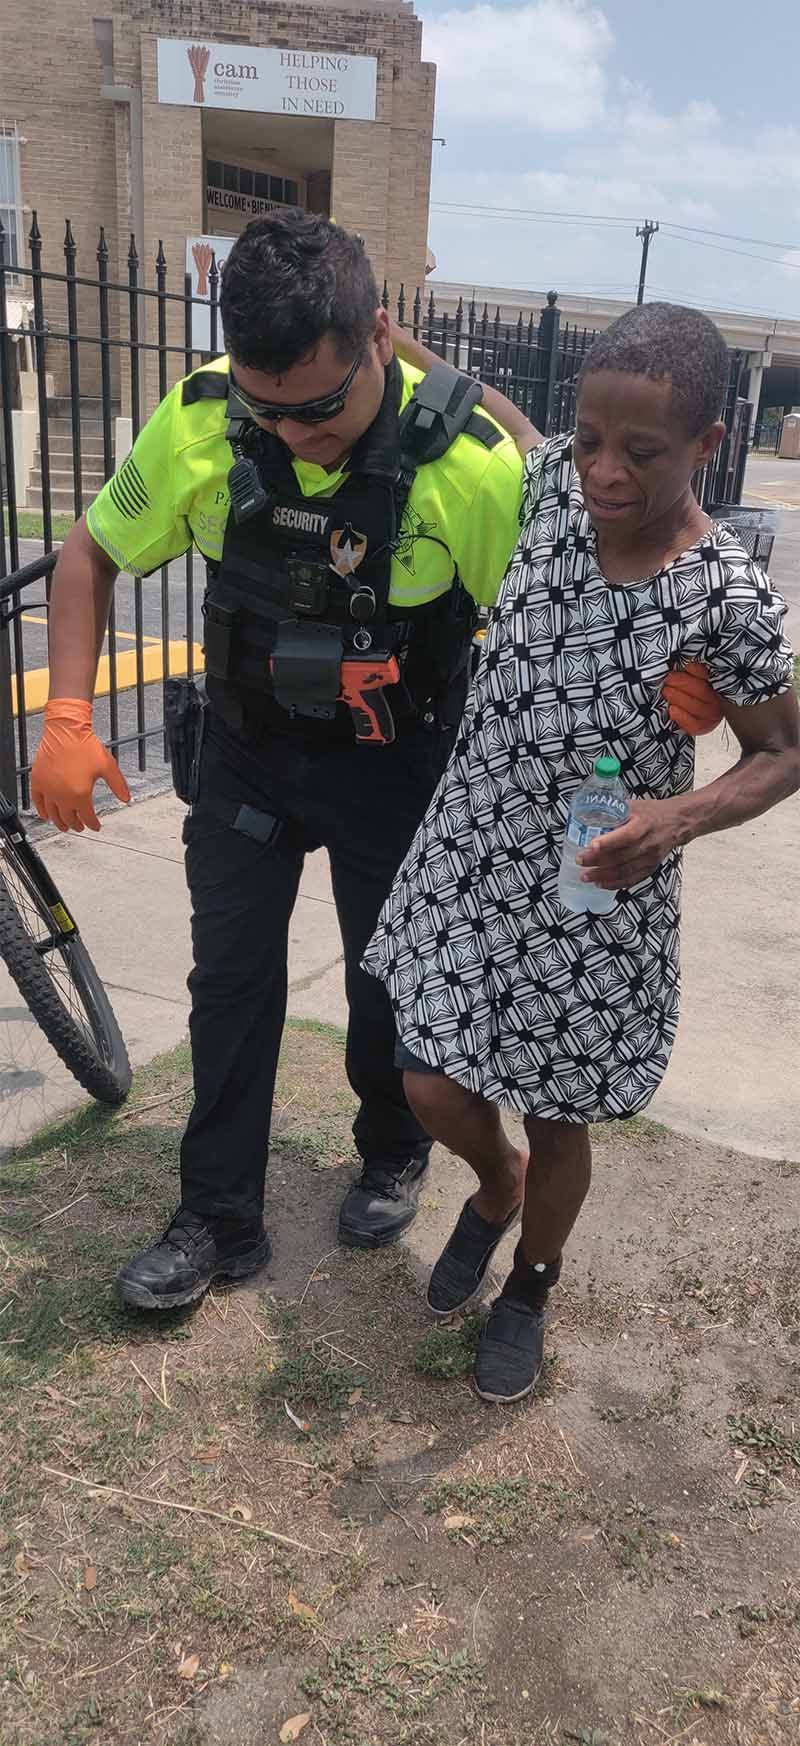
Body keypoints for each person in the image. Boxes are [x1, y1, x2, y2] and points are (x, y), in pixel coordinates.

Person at [30, 218, 715, 1312]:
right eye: (268, 409)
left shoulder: (463, 464)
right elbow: (92, 550)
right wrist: (68, 714)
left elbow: (589, 597)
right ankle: (216, 1215)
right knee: (229, 983)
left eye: (318, 408)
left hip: (396, 766)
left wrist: (678, 672)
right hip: (248, 753)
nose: (293, 435)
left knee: (383, 984)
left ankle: (393, 1151)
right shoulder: (202, 416)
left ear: (378, 343)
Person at [363, 302, 800, 1404]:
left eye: (640, 452)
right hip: (474, 841)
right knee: (429, 1079)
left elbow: (783, 750)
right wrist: (397, 344)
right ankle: (493, 1184)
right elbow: (503, 418)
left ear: (706, 444)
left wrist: (676, 818)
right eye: (591, 438)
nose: (603, 471)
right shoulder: (555, 486)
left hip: (592, 873)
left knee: (559, 1107)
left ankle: (529, 1287)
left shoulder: (725, 595)